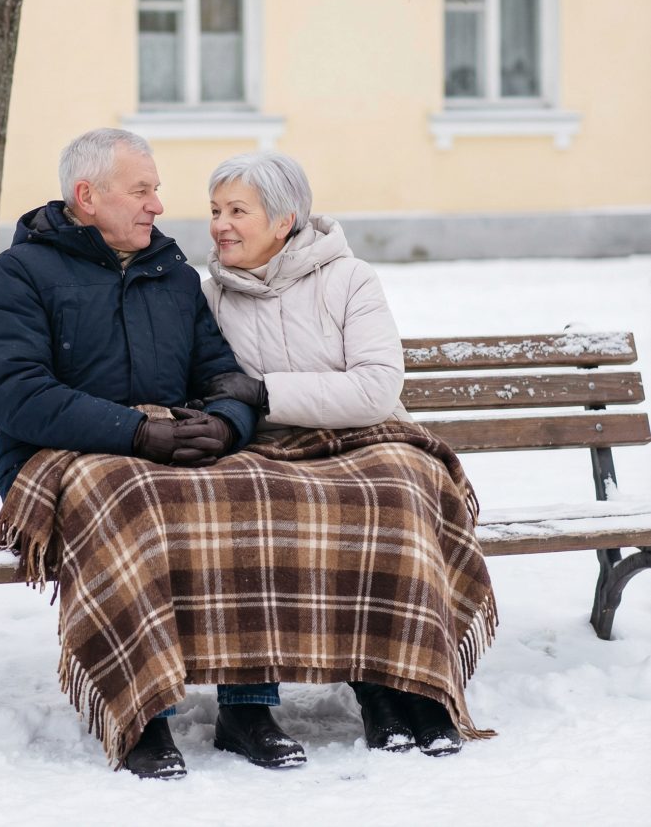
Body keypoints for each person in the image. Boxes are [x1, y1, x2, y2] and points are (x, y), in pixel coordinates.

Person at [0, 128, 306, 779]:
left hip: (162, 455)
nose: (158, 204)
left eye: (156, 189)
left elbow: (221, 374)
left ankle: (247, 710)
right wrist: (134, 432)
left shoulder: (172, 275)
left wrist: (225, 427)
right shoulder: (19, 274)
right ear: (87, 196)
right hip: (56, 461)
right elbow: (20, 396)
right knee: (131, 499)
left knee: (250, 487)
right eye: (141, 190)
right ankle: (142, 712)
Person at [199, 150, 496, 757]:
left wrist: (265, 392)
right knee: (245, 504)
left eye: (237, 211)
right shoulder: (211, 296)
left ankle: (409, 684)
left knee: (395, 492)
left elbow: (376, 388)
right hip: (272, 449)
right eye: (215, 210)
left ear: (283, 221)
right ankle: (263, 706)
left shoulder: (349, 278)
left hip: (367, 435)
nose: (220, 225)